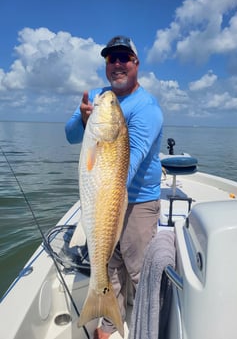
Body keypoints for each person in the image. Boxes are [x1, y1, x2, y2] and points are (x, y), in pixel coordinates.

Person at [65, 35, 163, 339]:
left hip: (139, 200)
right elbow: (70, 135)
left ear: (136, 63)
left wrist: (106, 203)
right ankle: (108, 323)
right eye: (111, 58)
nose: (117, 64)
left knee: (137, 269)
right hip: (106, 198)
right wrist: (82, 120)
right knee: (110, 266)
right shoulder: (96, 96)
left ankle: (150, 326)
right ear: (106, 64)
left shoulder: (147, 108)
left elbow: (127, 166)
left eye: (124, 57)